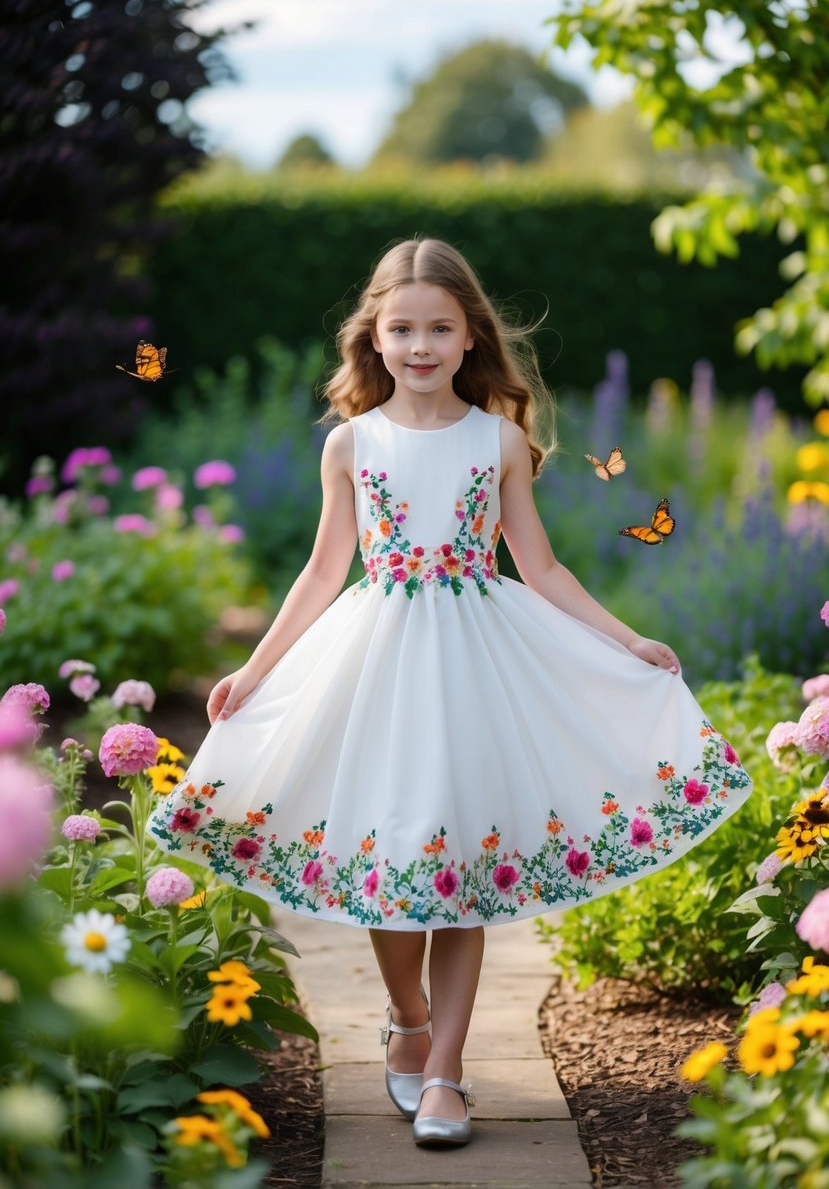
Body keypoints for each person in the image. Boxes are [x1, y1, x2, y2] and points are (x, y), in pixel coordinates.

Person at [148, 237, 752, 1148]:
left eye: (439, 327)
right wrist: (256, 667)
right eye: (402, 328)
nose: (421, 344)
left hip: (475, 661)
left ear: (471, 337)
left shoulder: (497, 440)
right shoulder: (352, 444)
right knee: (393, 868)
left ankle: (444, 1075)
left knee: (460, 867)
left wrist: (626, 640)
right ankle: (407, 1016)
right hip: (376, 663)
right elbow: (322, 573)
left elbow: (538, 566)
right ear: (374, 340)